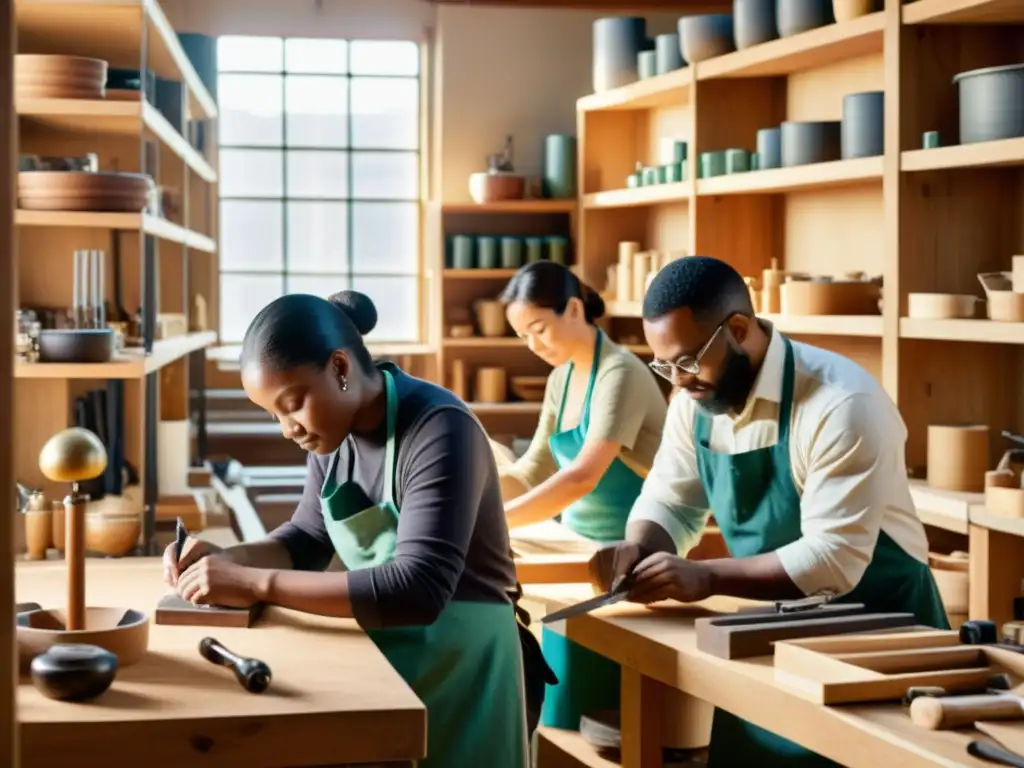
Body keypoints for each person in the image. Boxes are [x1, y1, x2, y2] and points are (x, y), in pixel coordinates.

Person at [590, 256, 948, 767]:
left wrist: (705, 577)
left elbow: (832, 560)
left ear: (738, 329)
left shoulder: (841, 402)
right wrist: (640, 548)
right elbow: (670, 498)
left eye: (688, 362)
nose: (679, 381)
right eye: (664, 365)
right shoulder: (694, 399)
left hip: (882, 634)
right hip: (772, 629)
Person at [163, 290, 528, 768]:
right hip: (388, 659)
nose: (286, 428)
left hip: (463, 668)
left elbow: (417, 589)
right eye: (273, 415)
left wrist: (254, 583)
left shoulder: (440, 428)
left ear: (340, 369)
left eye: (292, 404)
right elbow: (306, 539)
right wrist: (229, 559)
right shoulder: (333, 436)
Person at [498, 261, 668, 733]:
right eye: (524, 337)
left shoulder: (620, 373)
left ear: (573, 308)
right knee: (554, 704)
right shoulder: (563, 376)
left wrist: (495, 522)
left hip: (630, 554)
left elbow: (581, 477)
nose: (534, 346)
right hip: (575, 546)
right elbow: (534, 467)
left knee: (590, 712)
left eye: (539, 329)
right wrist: (476, 499)